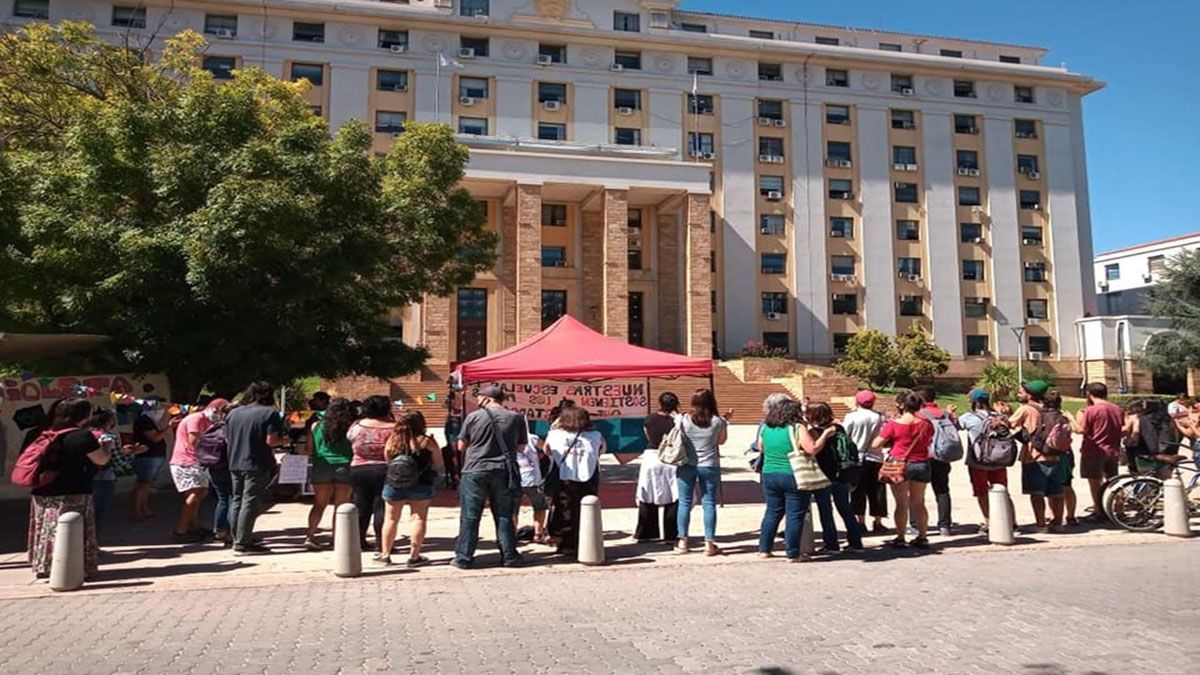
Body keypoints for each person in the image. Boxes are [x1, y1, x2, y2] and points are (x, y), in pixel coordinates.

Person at [27, 399, 108, 579]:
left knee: (47, 530)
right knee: (74, 529)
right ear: (84, 416)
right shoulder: (81, 436)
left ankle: (44, 566)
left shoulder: (39, 433)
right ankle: (77, 568)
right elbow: (101, 459)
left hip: (42, 490)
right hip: (73, 490)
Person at [453, 385, 528, 569]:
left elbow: (461, 446)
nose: (477, 401)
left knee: (470, 515)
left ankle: (464, 557)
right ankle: (509, 556)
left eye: (479, 397)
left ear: (486, 398)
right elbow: (521, 448)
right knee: (504, 515)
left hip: (475, 469)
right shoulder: (516, 417)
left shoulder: (473, 417)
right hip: (503, 469)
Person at [756, 398, 834, 561]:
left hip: (769, 473)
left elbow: (761, 448)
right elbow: (811, 448)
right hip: (792, 474)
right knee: (794, 514)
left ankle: (764, 548)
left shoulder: (766, 428)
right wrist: (825, 435)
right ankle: (792, 553)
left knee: (772, 512)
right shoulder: (797, 427)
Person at [225, 382, 286, 555]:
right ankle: (243, 543)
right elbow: (271, 441)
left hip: (234, 461)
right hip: (257, 462)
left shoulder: (233, 413)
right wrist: (286, 441)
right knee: (250, 501)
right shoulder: (270, 413)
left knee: (236, 499)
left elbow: (227, 439)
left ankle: (236, 537)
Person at [379, 410, 442, 566]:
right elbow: (438, 463)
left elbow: (387, 460)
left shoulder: (393, 440)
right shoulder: (427, 441)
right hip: (421, 483)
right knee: (418, 518)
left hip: (394, 482)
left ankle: (385, 555)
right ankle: (414, 556)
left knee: (391, 518)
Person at [872, 392, 934, 549]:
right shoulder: (926, 423)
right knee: (919, 502)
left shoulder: (893, 424)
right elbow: (929, 439)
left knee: (901, 503)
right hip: (921, 462)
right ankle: (922, 536)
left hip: (898, 463)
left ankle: (900, 537)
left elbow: (876, 444)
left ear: (902, 406)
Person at [545, 406, 605, 557]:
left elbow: (547, 450)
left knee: (564, 511)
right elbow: (602, 450)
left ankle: (566, 545)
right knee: (585, 512)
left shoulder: (554, 434)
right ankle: (585, 543)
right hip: (587, 478)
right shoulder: (595, 435)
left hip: (564, 478)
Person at [675, 389, 728, 556]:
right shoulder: (718, 421)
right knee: (709, 503)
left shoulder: (684, 419)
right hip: (710, 464)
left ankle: (683, 542)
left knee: (684, 502)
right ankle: (709, 543)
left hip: (686, 464)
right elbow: (722, 441)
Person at [806, 402, 864, 552]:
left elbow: (813, 450)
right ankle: (856, 543)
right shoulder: (838, 428)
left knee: (825, 510)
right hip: (842, 472)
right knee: (845, 508)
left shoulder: (815, 432)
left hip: (824, 474)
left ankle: (831, 544)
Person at [1008, 380, 1064, 533]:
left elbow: (1009, 424)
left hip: (1034, 455)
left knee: (1036, 493)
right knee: (1056, 492)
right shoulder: (1052, 408)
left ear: (1029, 394)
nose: (1019, 394)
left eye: (1021, 392)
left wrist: (1003, 414)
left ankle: (1041, 524)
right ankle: (1058, 522)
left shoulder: (1026, 409)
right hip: (1054, 455)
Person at [304, 397, 356, 550]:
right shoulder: (351, 427)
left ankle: (310, 536)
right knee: (341, 506)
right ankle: (337, 538)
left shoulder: (316, 425)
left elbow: (310, 450)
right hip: (345, 465)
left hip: (321, 465)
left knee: (319, 504)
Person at [958, 389, 1012, 534]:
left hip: (978, 460)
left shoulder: (968, 417)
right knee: (1002, 490)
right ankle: (1010, 521)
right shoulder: (1000, 416)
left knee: (982, 491)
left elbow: (956, 426)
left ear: (974, 402)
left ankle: (989, 522)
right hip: (999, 458)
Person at [170, 400, 224, 542]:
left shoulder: (207, 421)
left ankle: (194, 527)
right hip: (186, 462)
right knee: (195, 495)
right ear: (213, 408)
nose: (222, 415)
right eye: (221, 411)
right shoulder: (197, 418)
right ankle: (180, 530)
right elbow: (194, 441)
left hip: (197, 462)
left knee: (199, 495)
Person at [87, 408, 144, 539]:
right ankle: (94, 540)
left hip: (87, 474)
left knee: (88, 509)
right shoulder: (109, 437)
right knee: (100, 510)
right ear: (108, 421)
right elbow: (117, 459)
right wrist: (131, 455)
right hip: (105, 475)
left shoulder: (87, 435)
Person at [347, 395, 394, 549]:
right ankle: (382, 543)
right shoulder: (393, 427)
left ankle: (359, 540)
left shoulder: (357, 426)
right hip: (384, 468)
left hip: (359, 467)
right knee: (382, 507)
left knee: (361, 505)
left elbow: (350, 440)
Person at [635, 392, 681, 542]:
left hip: (652, 456)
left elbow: (648, 436)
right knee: (673, 496)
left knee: (647, 494)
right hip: (672, 458)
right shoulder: (679, 421)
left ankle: (646, 533)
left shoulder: (650, 418)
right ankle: (671, 534)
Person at [913, 385, 957, 537]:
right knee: (942, 490)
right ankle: (945, 525)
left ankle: (915, 524)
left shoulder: (918, 414)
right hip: (942, 456)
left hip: (923, 456)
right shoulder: (945, 414)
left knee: (917, 493)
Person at [843, 390, 887, 534]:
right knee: (878, 491)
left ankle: (860, 521)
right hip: (875, 457)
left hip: (857, 457)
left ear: (857, 401)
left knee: (857, 491)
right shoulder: (880, 417)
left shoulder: (852, 417)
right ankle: (878, 521)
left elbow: (845, 435)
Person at [130, 401, 173, 520]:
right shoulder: (144, 421)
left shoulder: (149, 421)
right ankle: (138, 512)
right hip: (148, 456)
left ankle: (144, 509)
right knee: (142, 484)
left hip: (153, 456)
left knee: (146, 485)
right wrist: (170, 427)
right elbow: (155, 438)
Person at [513, 421, 550, 545]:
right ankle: (538, 534)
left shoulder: (505, 437)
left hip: (514, 478)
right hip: (532, 478)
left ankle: (511, 535)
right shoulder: (532, 438)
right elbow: (547, 449)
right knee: (539, 506)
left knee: (513, 509)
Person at [1045, 393, 1078, 526]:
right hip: (1066, 453)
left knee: (1051, 486)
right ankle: (1071, 516)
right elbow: (1076, 430)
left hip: (1050, 453)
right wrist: (1071, 418)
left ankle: (1054, 515)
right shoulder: (1063, 417)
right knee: (1067, 486)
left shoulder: (1044, 416)